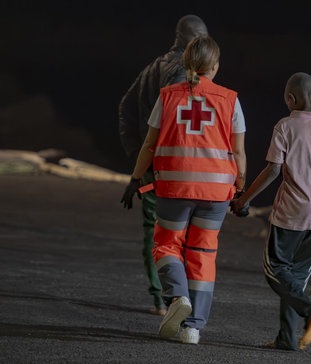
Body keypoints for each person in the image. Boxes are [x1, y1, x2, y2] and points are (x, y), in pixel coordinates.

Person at [121, 36, 247, 345]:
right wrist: (241, 188)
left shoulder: (167, 97)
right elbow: (239, 152)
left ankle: (177, 297)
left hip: (174, 188)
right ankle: (193, 329)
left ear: (185, 64)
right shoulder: (230, 99)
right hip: (217, 191)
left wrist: (135, 179)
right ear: (215, 67)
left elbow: (150, 144)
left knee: (166, 245)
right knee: (203, 253)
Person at [233, 73, 311, 351]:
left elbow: (273, 170)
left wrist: (244, 200)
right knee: (296, 278)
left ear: (290, 99)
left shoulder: (285, 126)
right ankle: (287, 339)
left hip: (292, 211)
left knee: (275, 269)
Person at [119, 15, 208, 316]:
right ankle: (175, 298)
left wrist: (136, 153)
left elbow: (125, 107)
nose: (202, 45)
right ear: (182, 38)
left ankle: (159, 297)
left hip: (150, 164)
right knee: (180, 233)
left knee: (153, 230)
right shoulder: (184, 73)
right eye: (198, 39)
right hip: (176, 166)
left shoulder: (150, 68)